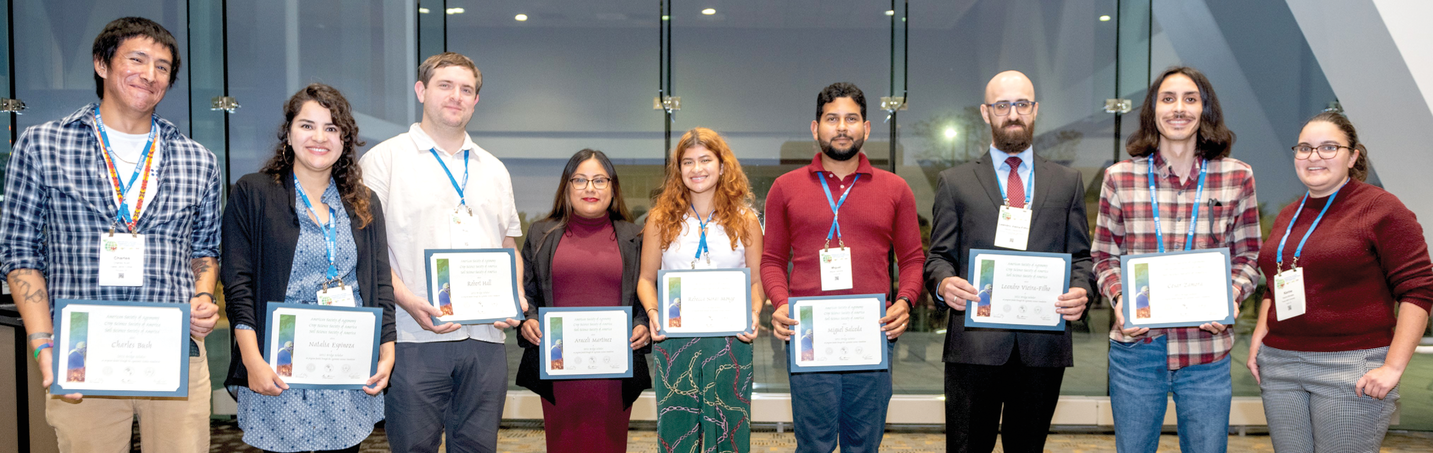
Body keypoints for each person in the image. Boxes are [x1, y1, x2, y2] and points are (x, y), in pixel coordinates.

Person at [0, 17, 221, 453]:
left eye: (162, 66)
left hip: (172, 352)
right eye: (136, 59)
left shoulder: (199, 160)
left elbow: (205, 249)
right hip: (82, 351)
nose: (150, 74)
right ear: (102, 64)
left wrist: (204, 295)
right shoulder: (43, 144)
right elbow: (19, 251)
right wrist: (43, 343)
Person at [358, 52, 525, 453]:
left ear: (476, 101)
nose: (456, 96)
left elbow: (508, 244)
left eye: (466, 89)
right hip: (414, 337)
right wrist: (408, 300)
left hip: (485, 341)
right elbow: (369, 252)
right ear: (421, 91)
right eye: (445, 85)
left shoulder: (494, 169)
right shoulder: (383, 161)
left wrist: (514, 296)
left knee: (478, 448)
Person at [1091, 66, 1261, 453]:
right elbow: (1103, 256)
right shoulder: (1120, 178)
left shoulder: (1236, 177)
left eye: (1190, 98)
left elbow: (1249, 254)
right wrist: (1121, 301)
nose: (1178, 108)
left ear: (1205, 110)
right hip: (1137, 350)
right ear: (1153, 111)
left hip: (1206, 350)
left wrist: (1230, 296)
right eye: (1168, 99)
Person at [221, 84, 397, 453]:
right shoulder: (253, 193)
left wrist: (387, 349)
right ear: (288, 133)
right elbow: (239, 284)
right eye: (307, 125)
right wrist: (252, 360)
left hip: (344, 364)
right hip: (278, 365)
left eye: (332, 128)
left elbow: (379, 281)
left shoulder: (364, 202)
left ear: (345, 139)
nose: (319, 137)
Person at [923, 70, 1093, 453]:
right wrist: (944, 283)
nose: (1012, 113)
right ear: (986, 113)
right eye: (1002, 105)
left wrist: (1082, 289)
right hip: (974, 348)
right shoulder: (955, 182)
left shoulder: (1067, 182)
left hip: (1042, 348)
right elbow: (938, 257)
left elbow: (1082, 256)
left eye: (1021, 104)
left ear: (1035, 110)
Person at [1247, 112, 1433, 452]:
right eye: (1304, 148)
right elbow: (1276, 283)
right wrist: (1261, 334)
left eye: (1328, 147)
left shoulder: (1382, 208)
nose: (1314, 156)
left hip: (1351, 368)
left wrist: (1393, 367)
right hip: (1280, 365)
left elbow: (1419, 290)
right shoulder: (1290, 214)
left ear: (1353, 156)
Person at [761, 82, 924, 453]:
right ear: (815, 127)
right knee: (814, 444)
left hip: (872, 334)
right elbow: (772, 260)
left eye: (851, 119)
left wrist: (906, 301)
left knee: (863, 444)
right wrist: (780, 302)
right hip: (809, 335)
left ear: (866, 128)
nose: (842, 127)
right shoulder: (785, 189)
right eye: (832, 118)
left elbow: (913, 258)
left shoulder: (895, 189)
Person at [515, 149, 652, 453]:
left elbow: (646, 290)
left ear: (613, 187)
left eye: (599, 180)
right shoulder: (540, 234)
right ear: (567, 186)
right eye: (580, 180)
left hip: (615, 370)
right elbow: (528, 291)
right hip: (558, 366)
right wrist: (530, 319)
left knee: (610, 443)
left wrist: (642, 324)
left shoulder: (635, 236)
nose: (590, 188)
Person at [637, 127, 764, 453]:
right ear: (678, 170)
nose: (697, 169)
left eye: (705, 160)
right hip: (675, 341)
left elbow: (756, 280)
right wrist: (653, 313)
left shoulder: (746, 219)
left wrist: (754, 311)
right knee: (676, 434)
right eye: (688, 162)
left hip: (731, 342)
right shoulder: (660, 219)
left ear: (722, 166)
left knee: (731, 435)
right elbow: (646, 279)